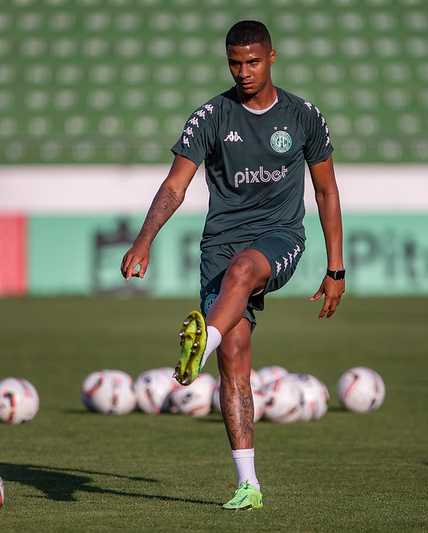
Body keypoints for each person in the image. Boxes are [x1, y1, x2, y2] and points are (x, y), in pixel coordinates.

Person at [121, 20, 345, 510]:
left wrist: (336, 269)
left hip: (279, 238)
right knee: (236, 358)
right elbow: (175, 185)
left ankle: (199, 347)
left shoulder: (304, 116)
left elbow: (326, 192)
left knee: (246, 269)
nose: (243, 71)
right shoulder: (211, 116)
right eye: (234, 63)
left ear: (271, 57)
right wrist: (144, 240)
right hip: (218, 246)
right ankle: (249, 484)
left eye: (252, 62)